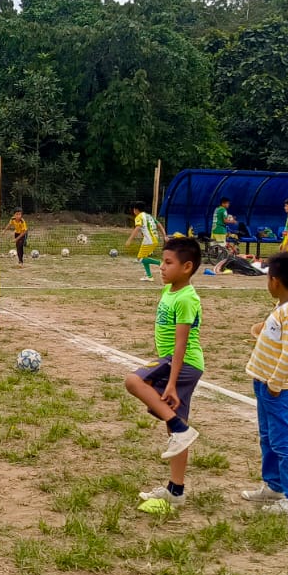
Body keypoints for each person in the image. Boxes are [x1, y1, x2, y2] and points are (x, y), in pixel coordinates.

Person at [122, 236, 205, 509]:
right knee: (174, 425)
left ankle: (182, 429)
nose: (161, 267)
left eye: (168, 262)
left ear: (187, 267)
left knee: (134, 381)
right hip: (178, 363)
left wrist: (171, 382)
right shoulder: (170, 291)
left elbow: (181, 345)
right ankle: (176, 491)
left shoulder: (186, 298)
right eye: (162, 261)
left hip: (181, 362)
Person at [240, 251, 288, 515]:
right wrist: (260, 330)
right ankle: (274, 486)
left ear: (275, 281)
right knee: (268, 438)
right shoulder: (282, 307)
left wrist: (275, 384)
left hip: (276, 389)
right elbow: (275, 334)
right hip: (263, 383)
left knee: (283, 442)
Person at [126, 203, 163, 280]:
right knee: (144, 258)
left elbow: (137, 228)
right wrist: (164, 235)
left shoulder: (139, 217)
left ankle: (160, 263)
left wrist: (129, 240)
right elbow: (159, 224)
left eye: (134, 209)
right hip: (154, 239)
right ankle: (149, 276)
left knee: (140, 259)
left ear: (136, 210)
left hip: (149, 240)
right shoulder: (149, 216)